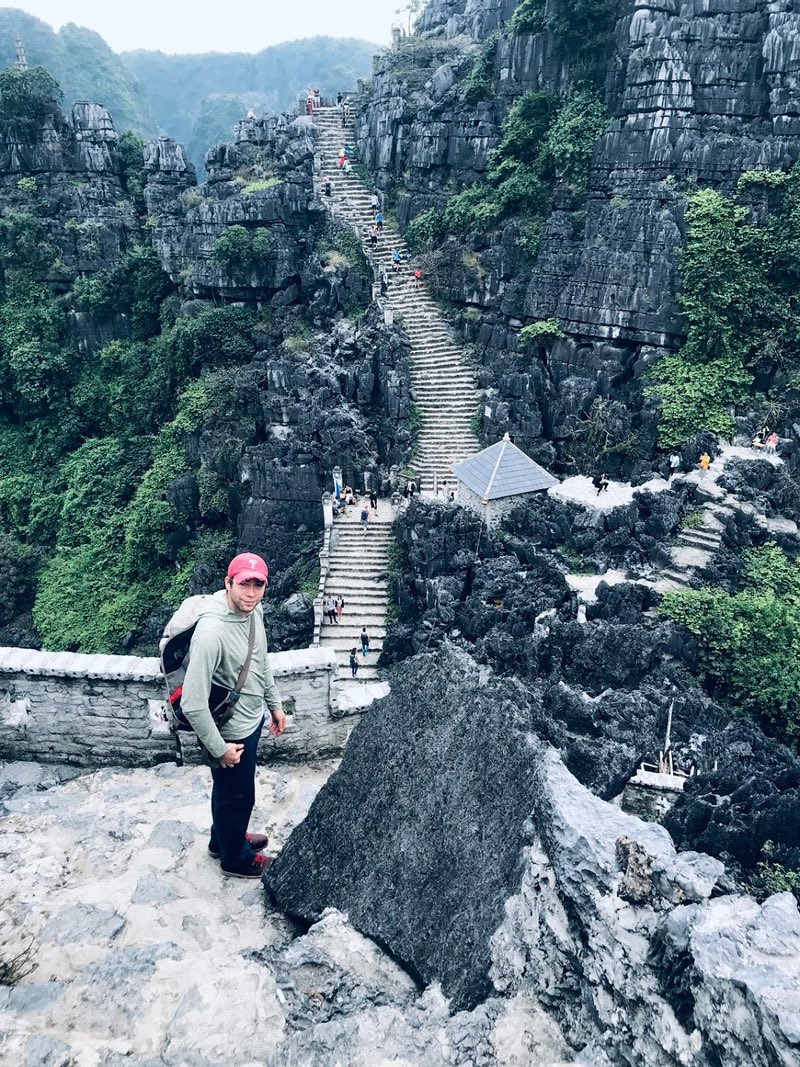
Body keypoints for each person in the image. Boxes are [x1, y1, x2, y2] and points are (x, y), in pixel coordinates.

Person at [179, 552, 286, 879]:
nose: (251, 593)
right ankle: (235, 859)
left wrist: (275, 703)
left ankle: (222, 840)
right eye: (244, 584)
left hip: (252, 718)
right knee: (239, 796)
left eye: (258, 585)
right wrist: (218, 748)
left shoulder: (254, 611)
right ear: (228, 583)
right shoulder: (212, 634)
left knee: (227, 792)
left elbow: (260, 660)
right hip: (228, 732)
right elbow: (193, 703)